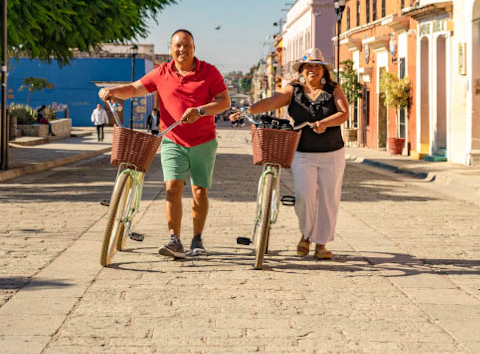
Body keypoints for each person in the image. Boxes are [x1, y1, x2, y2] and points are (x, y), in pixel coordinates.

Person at [99, 30, 231, 258]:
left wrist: (200, 111)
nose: (182, 50)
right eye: (177, 45)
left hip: (203, 142)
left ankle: (197, 239)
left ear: (194, 47)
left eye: (187, 45)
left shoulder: (209, 72)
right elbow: (134, 88)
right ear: (171, 48)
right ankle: (174, 239)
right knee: (172, 189)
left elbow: (224, 102)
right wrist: (113, 92)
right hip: (172, 140)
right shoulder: (162, 72)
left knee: (200, 190)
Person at [231, 48, 348, 260]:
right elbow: (270, 102)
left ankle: (320, 244)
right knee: (304, 196)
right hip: (302, 153)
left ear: (323, 70)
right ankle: (306, 234)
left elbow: (344, 113)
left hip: (332, 153)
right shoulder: (293, 90)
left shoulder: (333, 89)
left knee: (328, 199)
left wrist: (324, 123)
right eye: (308, 66)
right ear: (302, 70)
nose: (312, 69)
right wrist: (248, 111)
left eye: (316, 66)